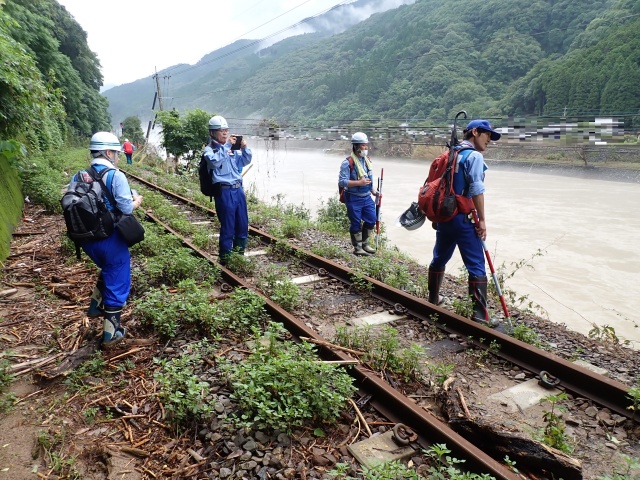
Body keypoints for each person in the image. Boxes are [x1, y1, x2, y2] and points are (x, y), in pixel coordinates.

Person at [427, 119, 501, 327]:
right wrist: (483, 220)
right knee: (476, 263)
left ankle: (433, 299)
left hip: (444, 217)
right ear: (475, 132)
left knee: (439, 257)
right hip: (463, 218)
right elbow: (477, 189)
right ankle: (480, 315)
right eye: (487, 135)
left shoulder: (449, 154)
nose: (489, 140)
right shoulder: (474, 156)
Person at [79, 132, 143, 347]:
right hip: (110, 238)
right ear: (108, 152)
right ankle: (111, 334)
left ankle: (95, 307)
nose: (116, 156)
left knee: (108, 268)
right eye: (114, 152)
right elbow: (125, 208)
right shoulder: (116, 175)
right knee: (118, 278)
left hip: (86, 239)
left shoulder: (80, 175)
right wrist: (137, 201)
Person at [203, 115, 252, 264]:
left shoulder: (233, 150)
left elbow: (245, 161)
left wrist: (244, 149)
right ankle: (225, 258)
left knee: (242, 224)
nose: (225, 133)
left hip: (238, 190)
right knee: (228, 226)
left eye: (226, 130)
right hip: (224, 192)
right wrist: (227, 147)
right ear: (212, 133)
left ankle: (239, 256)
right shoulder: (209, 150)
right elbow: (214, 162)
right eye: (221, 131)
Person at [338, 132, 378, 255]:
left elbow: (369, 178)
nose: (366, 148)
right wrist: (359, 183)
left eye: (366, 146)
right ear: (356, 146)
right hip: (353, 197)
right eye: (363, 146)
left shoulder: (367, 161)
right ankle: (358, 248)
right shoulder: (347, 163)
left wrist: (373, 190)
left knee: (372, 219)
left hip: (366, 197)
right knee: (355, 222)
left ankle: (365, 244)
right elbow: (342, 181)